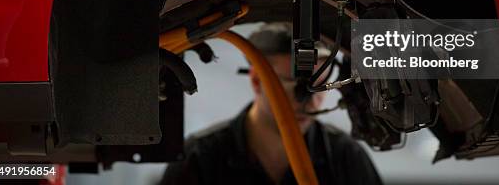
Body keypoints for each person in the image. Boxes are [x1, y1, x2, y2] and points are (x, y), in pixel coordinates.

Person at [161, 22, 382, 185]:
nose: (310, 102)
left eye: (321, 86)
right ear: (258, 81)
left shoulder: (346, 158)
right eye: (296, 84)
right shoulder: (200, 157)